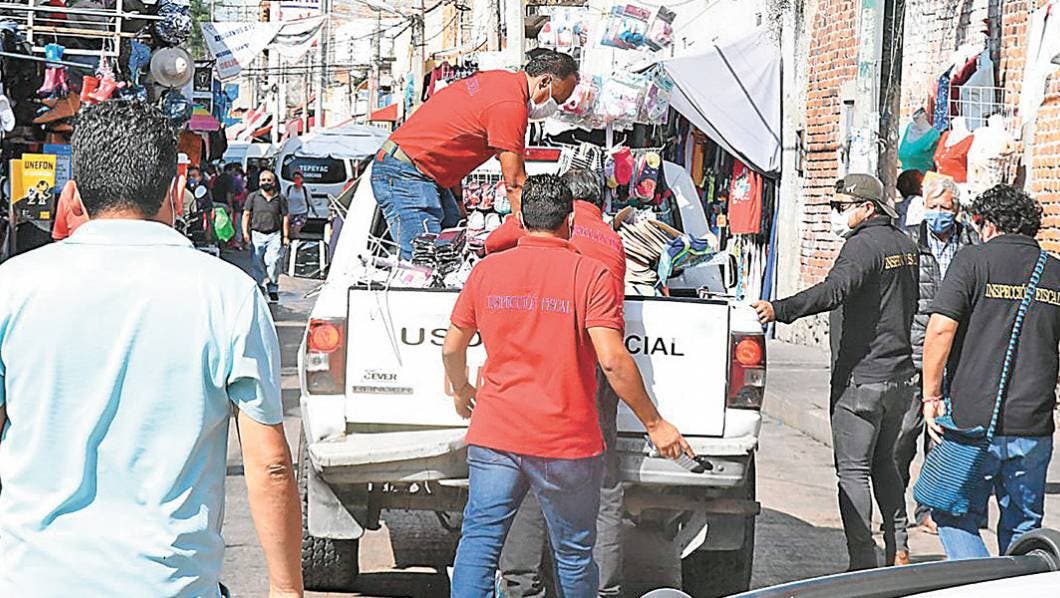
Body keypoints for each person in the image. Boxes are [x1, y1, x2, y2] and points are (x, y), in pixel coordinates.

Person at [0, 101, 302, 597]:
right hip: (170, 585)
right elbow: (269, 464)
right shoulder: (228, 294)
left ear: (73, 197)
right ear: (177, 193)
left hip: (33, 582)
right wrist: (287, 590)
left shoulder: (13, 287)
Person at [443, 174, 691, 598]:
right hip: (566, 442)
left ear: (519, 220)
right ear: (570, 223)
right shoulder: (589, 275)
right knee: (574, 553)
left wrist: (462, 387)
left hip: (496, 434)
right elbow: (612, 360)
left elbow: (452, 346)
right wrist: (655, 423)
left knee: (479, 545)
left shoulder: (486, 271)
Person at [753, 173, 919, 570]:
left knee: (854, 472)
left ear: (867, 208)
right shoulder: (905, 244)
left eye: (841, 207)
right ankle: (898, 548)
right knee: (885, 466)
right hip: (898, 378)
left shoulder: (862, 248)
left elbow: (833, 291)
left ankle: (862, 562)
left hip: (861, 379)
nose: (835, 214)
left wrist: (780, 309)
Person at [489, 169, 628, 597]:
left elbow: (490, 246)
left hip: (546, 366)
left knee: (530, 474)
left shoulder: (546, 228)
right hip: (599, 369)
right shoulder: (613, 239)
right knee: (603, 483)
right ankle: (603, 588)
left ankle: (521, 585)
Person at [922, 184, 1060, 559]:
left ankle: (979, 584)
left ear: (987, 223)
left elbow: (940, 329)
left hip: (972, 421)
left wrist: (931, 395)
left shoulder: (972, 261)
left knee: (952, 511)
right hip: (1032, 426)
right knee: (1024, 526)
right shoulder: (1055, 272)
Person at [372, 50, 579, 259]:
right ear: (544, 82)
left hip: (423, 173)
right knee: (426, 262)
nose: (554, 108)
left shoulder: (499, 81)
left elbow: (454, 140)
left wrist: (460, 201)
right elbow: (515, 183)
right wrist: (537, 238)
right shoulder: (509, 105)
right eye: (556, 100)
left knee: (450, 250)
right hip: (406, 173)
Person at [894, 175, 977, 538]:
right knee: (902, 435)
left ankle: (929, 508)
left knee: (941, 438)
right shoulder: (909, 241)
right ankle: (893, 506)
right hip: (916, 351)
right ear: (923, 207)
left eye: (947, 208)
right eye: (934, 207)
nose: (941, 215)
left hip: (959, 354)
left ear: (957, 210)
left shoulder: (972, 244)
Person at [243, 169, 289, 302]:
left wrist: (285, 236)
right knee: (257, 262)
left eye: (269, 180)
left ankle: (273, 287)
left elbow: (285, 217)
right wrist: (245, 233)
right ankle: (259, 286)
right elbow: (246, 214)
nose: (266, 182)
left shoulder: (280, 198)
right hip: (257, 234)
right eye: (263, 180)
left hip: (274, 234)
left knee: (273, 261)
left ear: (274, 183)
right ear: (259, 182)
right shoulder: (253, 197)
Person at [286, 170, 311, 237]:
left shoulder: (305, 190)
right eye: (295, 178)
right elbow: (286, 200)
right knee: (290, 233)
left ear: (302, 179)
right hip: (291, 213)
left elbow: (310, 201)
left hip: (301, 213)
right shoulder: (289, 189)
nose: (297, 180)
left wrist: (315, 212)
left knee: (296, 230)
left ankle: (297, 243)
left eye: (298, 178)